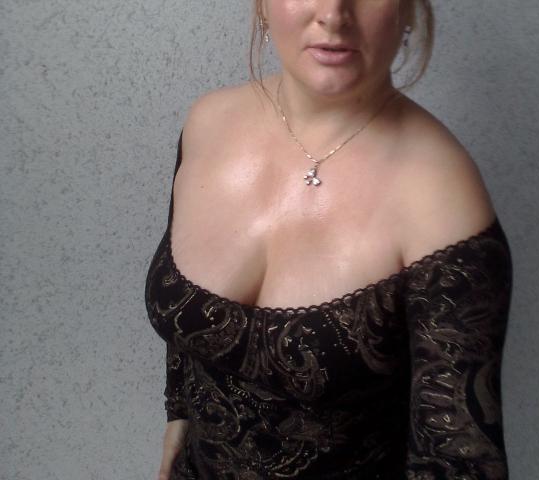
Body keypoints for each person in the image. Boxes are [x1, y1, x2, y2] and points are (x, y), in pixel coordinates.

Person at [145, 1, 513, 479]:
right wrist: (178, 416)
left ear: (408, 10)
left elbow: (459, 461)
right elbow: (184, 327)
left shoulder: (443, 200)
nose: (335, 14)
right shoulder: (207, 124)